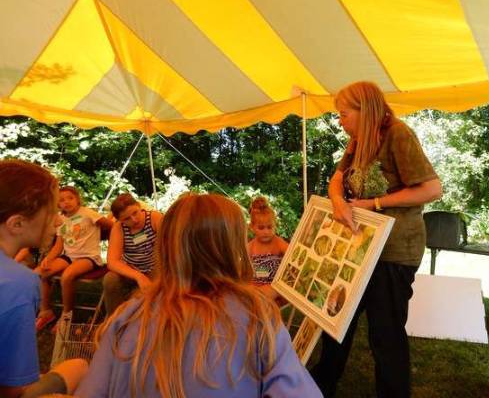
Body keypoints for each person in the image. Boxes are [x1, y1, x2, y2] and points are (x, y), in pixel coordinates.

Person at [76, 193, 322, 397]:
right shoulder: (257, 317)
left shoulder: (126, 316)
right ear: (231, 248)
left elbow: (90, 391)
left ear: (167, 246)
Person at [310, 81, 442, 398]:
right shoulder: (358, 140)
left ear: (363, 110)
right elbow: (338, 179)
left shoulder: (398, 134)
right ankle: (319, 386)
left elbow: (431, 189)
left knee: (385, 334)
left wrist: (374, 204)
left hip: (394, 252)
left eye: (343, 114)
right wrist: (339, 203)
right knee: (336, 319)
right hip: (359, 247)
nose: (340, 121)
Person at [0, 159, 87, 398]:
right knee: (80, 367)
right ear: (17, 223)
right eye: (51, 213)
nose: (58, 221)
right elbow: (14, 391)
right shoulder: (19, 282)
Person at [35, 186, 112, 330]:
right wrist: (48, 259)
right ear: (58, 204)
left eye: (70, 198)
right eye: (62, 200)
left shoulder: (88, 213)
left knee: (67, 276)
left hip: (89, 257)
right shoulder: (61, 219)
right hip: (69, 256)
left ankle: (67, 315)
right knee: (39, 273)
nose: (67, 202)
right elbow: (59, 246)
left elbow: (112, 227)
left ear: (77, 199)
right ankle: (45, 311)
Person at [103, 193, 162, 315]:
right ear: (119, 220)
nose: (134, 220)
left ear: (139, 206)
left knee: (154, 288)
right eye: (126, 219)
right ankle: (114, 320)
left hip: (155, 266)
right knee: (110, 279)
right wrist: (138, 276)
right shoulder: (118, 228)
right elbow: (112, 262)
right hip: (131, 268)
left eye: (135, 213)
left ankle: (152, 320)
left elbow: (170, 247)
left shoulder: (155, 218)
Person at [248, 196, 289, 301]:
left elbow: (292, 255)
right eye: (261, 228)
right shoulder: (250, 247)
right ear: (252, 227)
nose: (266, 231)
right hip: (257, 289)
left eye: (269, 227)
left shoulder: (278, 242)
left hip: (277, 289)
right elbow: (243, 271)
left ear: (275, 226)